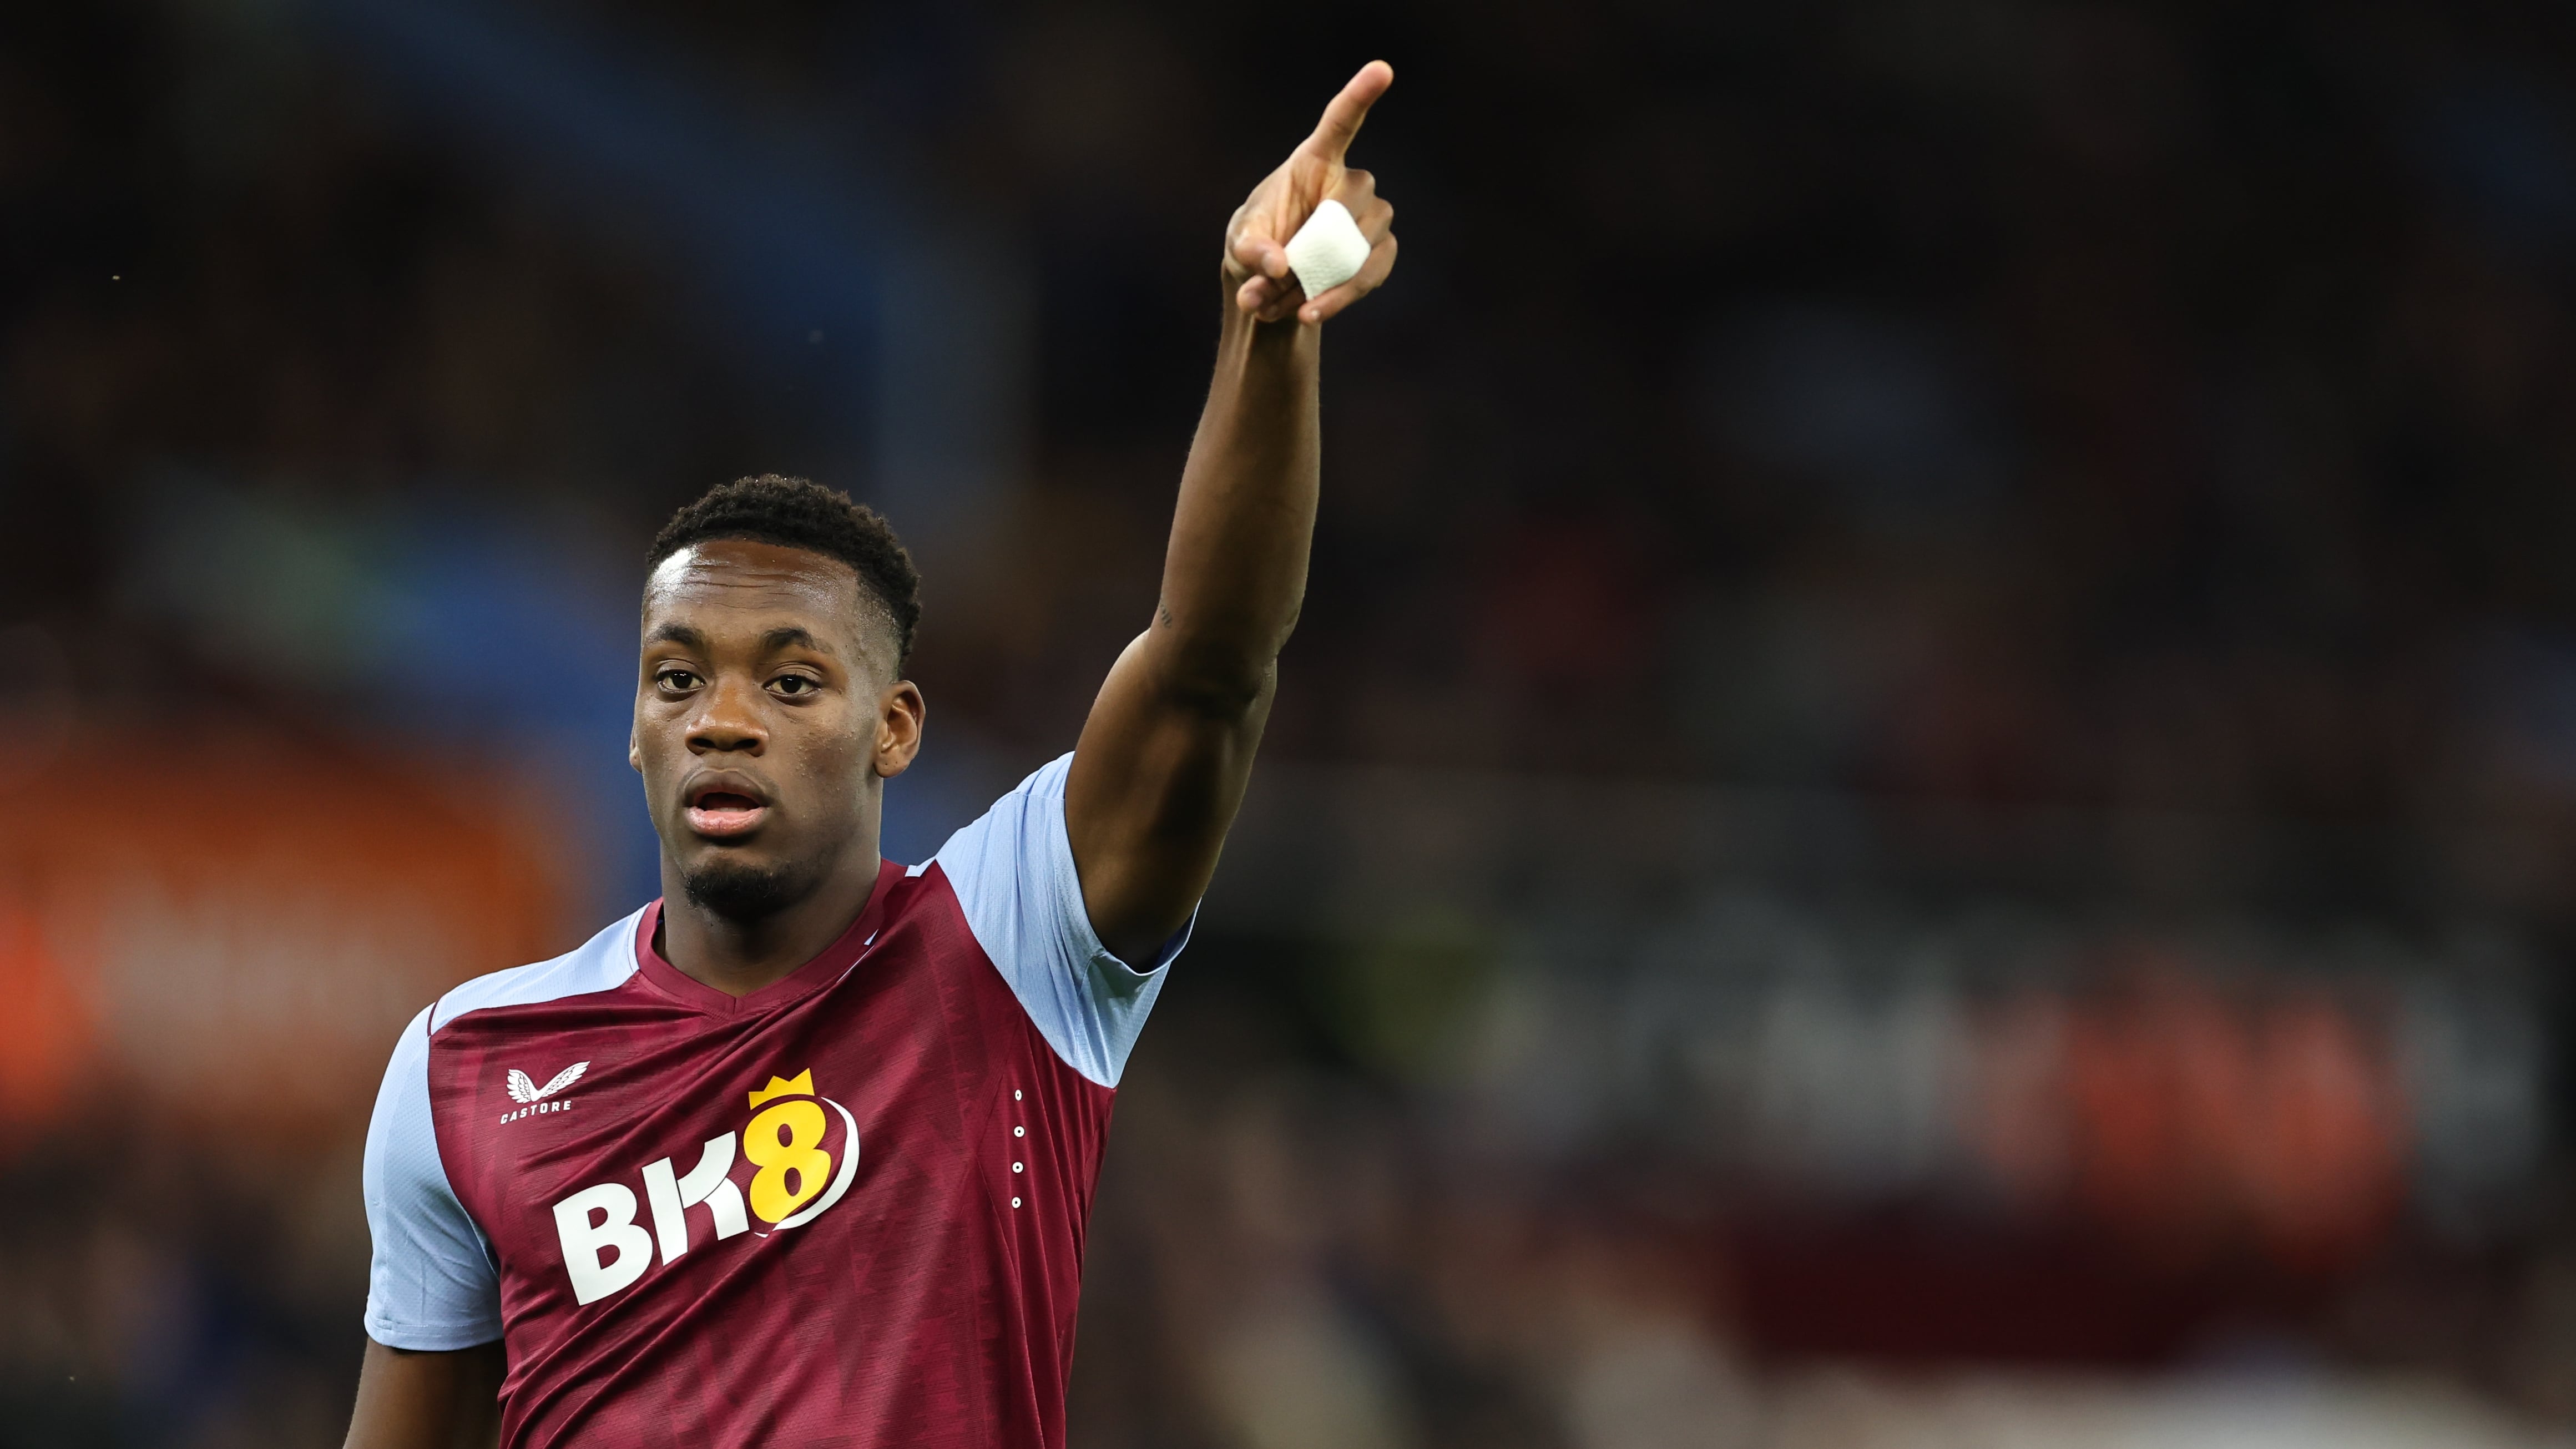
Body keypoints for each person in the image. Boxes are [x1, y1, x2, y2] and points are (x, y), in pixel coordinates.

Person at [341, 62, 1397, 1449]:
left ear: (894, 726)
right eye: (678, 679)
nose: (723, 718)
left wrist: (1264, 337)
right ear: (635, 722)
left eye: (790, 680)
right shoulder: (465, 1066)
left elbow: (1209, 669)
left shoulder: (1010, 948)